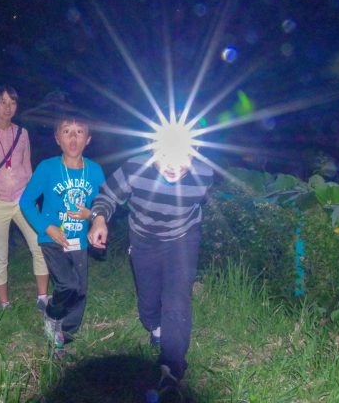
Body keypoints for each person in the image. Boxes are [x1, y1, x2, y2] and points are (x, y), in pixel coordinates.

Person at [88, 134, 213, 394]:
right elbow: (108, 195)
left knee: (177, 298)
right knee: (148, 299)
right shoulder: (135, 167)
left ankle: (171, 368)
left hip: (182, 238)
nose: (173, 165)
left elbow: (198, 205)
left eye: (182, 157)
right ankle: (155, 326)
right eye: (164, 156)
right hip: (143, 239)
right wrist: (99, 219)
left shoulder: (204, 174)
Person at [20, 109, 104, 351]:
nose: (73, 138)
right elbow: (26, 201)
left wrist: (93, 217)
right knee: (68, 285)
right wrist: (47, 227)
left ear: (88, 139)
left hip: (80, 240)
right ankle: (52, 314)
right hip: (53, 238)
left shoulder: (94, 171)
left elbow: (104, 204)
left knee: (80, 291)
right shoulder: (47, 168)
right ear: (57, 138)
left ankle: (65, 334)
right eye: (67, 132)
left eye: (79, 132)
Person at [0, 85, 49, 309]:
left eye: (12, 102)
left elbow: (27, 167)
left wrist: (33, 195)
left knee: (40, 245)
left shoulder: (22, 134)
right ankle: (4, 304)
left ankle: (43, 298)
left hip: (23, 201)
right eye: (2, 102)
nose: (8, 107)